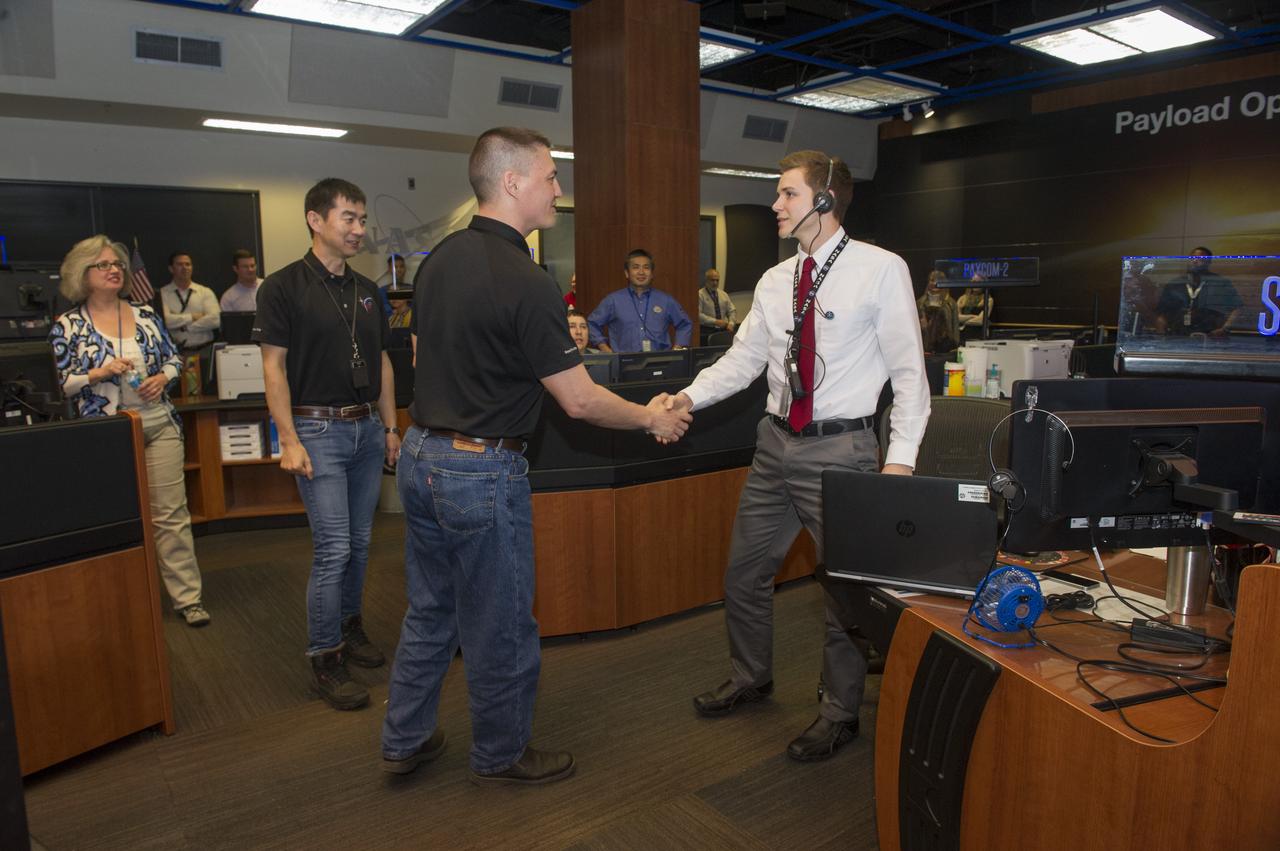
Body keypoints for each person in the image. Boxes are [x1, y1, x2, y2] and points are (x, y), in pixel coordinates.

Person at [381, 126, 691, 786]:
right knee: (499, 622)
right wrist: (650, 417)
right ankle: (499, 751)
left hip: (419, 456)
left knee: (432, 608)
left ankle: (404, 734)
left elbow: (418, 356)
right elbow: (577, 401)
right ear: (513, 182)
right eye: (551, 176)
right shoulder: (527, 280)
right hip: (478, 470)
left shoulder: (437, 261)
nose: (559, 188)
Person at [668, 150, 928, 761]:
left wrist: (901, 461)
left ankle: (839, 713)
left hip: (843, 448)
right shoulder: (774, 280)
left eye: (787, 194)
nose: (776, 205)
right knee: (744, 572)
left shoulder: (879, 269)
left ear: (823, 199)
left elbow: (910, 375)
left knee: (843, 589)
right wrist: (685, 396)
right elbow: (742, 361)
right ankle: (750, 677)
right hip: (775, 441)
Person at [253, 178, 398, 712]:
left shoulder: (366, 290)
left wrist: (389, 427)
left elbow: (381, 361)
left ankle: (349, 627)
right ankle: (325, 658)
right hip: (316, 431)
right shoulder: (284, 287)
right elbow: (273, 368)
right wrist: (286, 438)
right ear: (316, 220)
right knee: (334, 547)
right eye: (349, 219)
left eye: (362, 220)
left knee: (360, 544)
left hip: (364, 429)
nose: (359, 229)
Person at [49, 235, 211, 627]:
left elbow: (174, 360)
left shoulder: (144, 314)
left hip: (158, 422)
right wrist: (98, 373)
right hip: (106, 431)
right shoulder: (67, 325)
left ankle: (188, 599)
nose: (114, 270)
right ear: (82, 274)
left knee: (171, 515)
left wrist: (162, 378)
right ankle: (123, 597)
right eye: (103, 265)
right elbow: (64, 383)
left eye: (117, 264)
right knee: (116, 515)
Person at [586, 249, 693, 353]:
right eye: (635, 267)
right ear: (627, 273)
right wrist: (605, 348)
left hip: (660, 361)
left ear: (651, 274)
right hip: (624, 363)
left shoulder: (666, 300)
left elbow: (685, 324)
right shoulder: (613, 300)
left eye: (646, 268)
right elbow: (591, 323)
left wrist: (677, 350)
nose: (641, 272)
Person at [1154, 247, 1242, 337]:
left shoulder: (1220, 282)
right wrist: (1161, 335)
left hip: (1210, 336)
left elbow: (1237, 308)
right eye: (1192, 258)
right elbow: (1162, 313)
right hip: (1179, 336)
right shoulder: (1175, 283)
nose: (1195, 261)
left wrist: (1224, 329)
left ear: (1209, 262)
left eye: (1201, 259)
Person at [160, 252, 221, 350]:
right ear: (171, 269)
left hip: (204, 350)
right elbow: (165, 321)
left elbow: (215, 320)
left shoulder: (205, 292)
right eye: (179, 264)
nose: (184, 268)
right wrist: (193, 317)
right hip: (175, 352)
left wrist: (186, 327)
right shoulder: (162, 294)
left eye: (187, 264)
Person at [915, 270, 959, 344]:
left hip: (946, 347)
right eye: (932, 280)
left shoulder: (951, 303)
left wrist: (955, 345)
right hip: (924, 346)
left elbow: (955, 327)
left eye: (939, 280)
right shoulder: (920, 303)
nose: (935, 283)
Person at [697, 268, 737, 341]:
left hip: (722, 331)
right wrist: (715, 321)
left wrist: (731, 323)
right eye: (712, 280)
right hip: (706, 331)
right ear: (706, 280)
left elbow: (732, 311)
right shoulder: (700, 294)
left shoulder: (723, 294)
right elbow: (698, 315)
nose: (715, 283)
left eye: (717, 280)